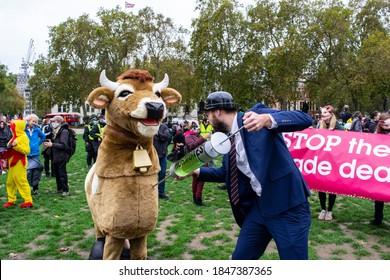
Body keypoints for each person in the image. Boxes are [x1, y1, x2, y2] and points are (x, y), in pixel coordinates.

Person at [192, 91, 313, 260]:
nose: (208, 121)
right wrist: (196, 171)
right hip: (260, 209)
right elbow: (225, 173)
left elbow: (305, 119)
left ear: (217, 112)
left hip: (289, 207)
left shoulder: (256, 115)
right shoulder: (228, 139)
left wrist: (266, 120)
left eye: (207, 115)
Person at [316, 106, 343, 221]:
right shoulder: (319, 125)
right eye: (322, 114)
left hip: (334, 161)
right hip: (322, 160)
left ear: (331, 114)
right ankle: (323, 209)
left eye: (326, 114)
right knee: (321, 186)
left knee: (332, 187)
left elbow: (345, 142)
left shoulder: (338, 127)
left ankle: (330, 210)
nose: (324, 116)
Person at [1, 119, 33, 208]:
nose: (11, 128)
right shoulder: (15, 136)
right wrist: (9, 145)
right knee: (10, 182)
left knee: (21, 181)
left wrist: (17, 146)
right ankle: (11, 200)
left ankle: (28, 201)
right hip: (12, 162)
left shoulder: (23, 137)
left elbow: (27, 151)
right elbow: (9, 146)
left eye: (12, 127)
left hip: (19, 162)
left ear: (17, 128)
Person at [43, 116, 70, 197]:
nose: (52, 123)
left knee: (62, 173)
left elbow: (64, 145)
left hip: (61, 156)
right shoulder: (56, 131)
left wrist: (52, 144)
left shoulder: (64, 131)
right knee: (57, 173)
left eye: (54, 121)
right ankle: (59, 189)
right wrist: (52, 142)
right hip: (55, 155)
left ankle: (65, 190)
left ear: (58, 122)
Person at [184, 124, 211, 206]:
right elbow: (192, 146)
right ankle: (197, 198)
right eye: (194, 126)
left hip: (203, 159)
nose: (197, 128)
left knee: (200, 179)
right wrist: (203, 138)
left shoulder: (198, 135)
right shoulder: (188, 136)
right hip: (195, 160)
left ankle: (197, 198)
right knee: (197, 179)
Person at [370, 112, 389, 226]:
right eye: (384, 126)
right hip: (381, 169)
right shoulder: (377, 133)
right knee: (379, 195)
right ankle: (378, 218)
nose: (386, 128)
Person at [25, 114, 46, 195]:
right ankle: (26, 189)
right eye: (33, 121)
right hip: (26, 153)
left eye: (36, 122)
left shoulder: (37, 129)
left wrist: (37, 144)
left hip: (35, 153)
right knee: (27, 171)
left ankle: (35, 188)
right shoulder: (23, 130)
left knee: (36, 171)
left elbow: (43, 137)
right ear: (28, 121)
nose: (34, 123)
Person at [153, 121, 171, 200]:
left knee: (162, 174)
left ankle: (161, 192)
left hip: (162, 155)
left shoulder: (164, 127)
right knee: (152, 174)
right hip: (153, 155)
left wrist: (158, 133)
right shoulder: (151, 127)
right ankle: (152, 192)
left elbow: (167, 137)